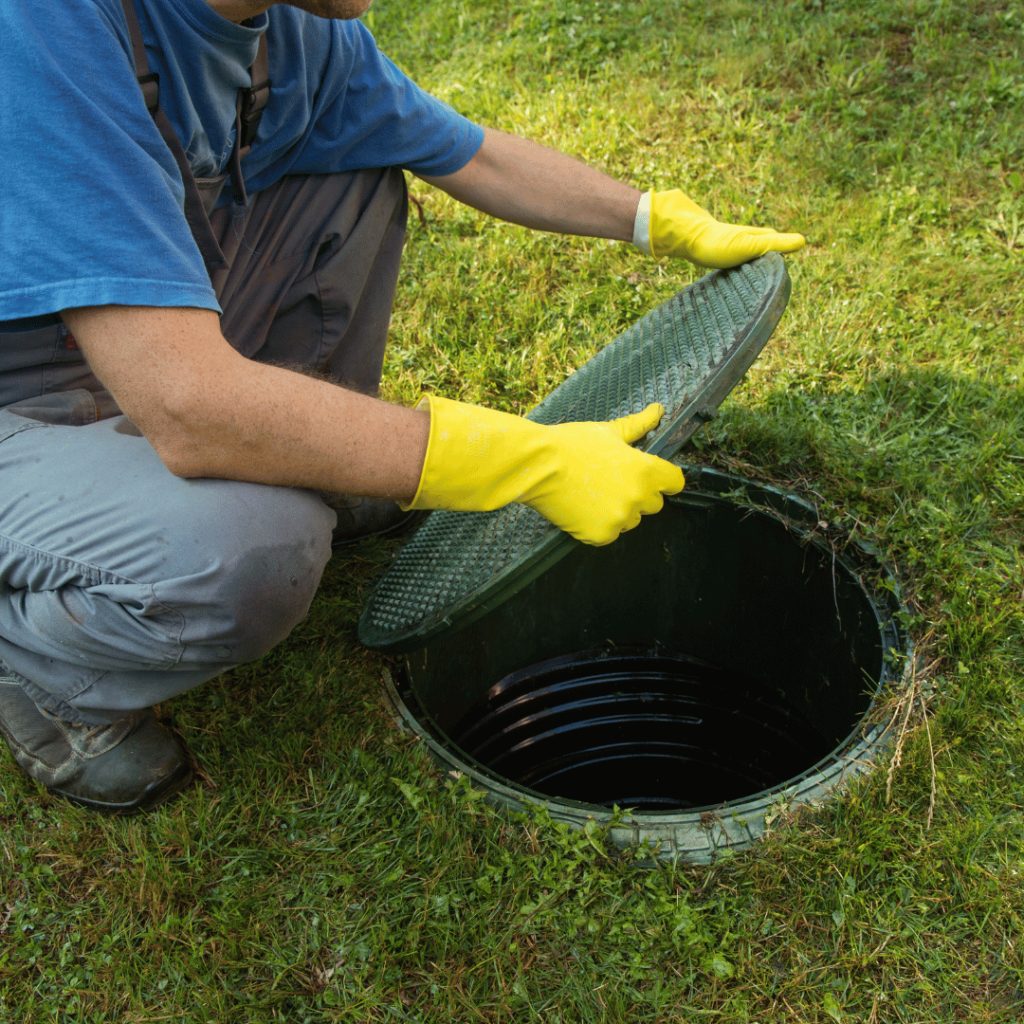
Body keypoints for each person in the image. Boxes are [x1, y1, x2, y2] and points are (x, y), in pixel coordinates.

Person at [0, 0, 805, 814]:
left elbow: (466, 155)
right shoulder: (41, 27)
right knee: (250, 550)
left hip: (136, 341)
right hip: (23, 403)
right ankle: (38, 670)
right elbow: (186, 403)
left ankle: (293, 469)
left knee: (353, 170)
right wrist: (515, 459)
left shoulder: (296, 34)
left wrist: (654, 220)